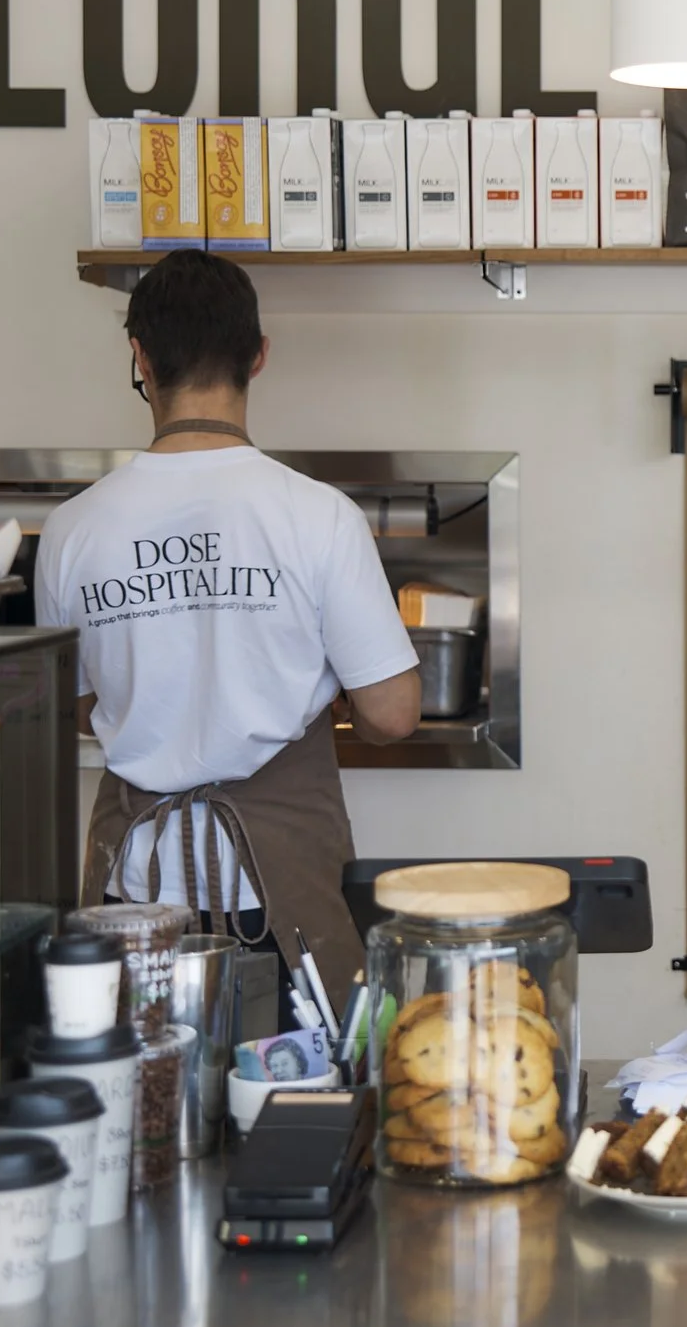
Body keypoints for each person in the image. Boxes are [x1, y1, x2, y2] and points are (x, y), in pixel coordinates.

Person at [35, 250, 421, 1002]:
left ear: (139, 357)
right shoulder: (318, 516)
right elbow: (393, 713)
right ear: (258, 355)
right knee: (289, 1106)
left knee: (142, 1104)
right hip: (280, 899)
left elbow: (78, 707)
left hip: (133, 898)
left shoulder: (72, 529)